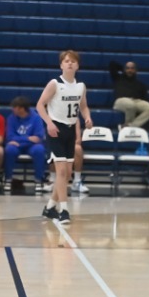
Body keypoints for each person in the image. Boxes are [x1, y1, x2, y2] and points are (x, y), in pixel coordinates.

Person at [37, 50, 93, 224]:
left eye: (73, 61)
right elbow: (40, 105)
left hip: (70, 130)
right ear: (61, 65)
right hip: (56, 129)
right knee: (61, 171)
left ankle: (49, 207)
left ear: (77, 65)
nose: (69, 63)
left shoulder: (80, 86)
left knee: (67, 174)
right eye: (66, 61)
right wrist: (49, 123)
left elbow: (83, 106)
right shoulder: (55, 83)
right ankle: (64, 211)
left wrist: (87, 117)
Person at [4, 96, 46, 194]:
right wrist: (28, 138)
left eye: (15, 107)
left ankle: (38, 180)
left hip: (31, 146)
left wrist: (19, 139)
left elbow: (38, 137)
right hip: (17, 145)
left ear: (22, 109)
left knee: (39, 150)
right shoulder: (11, 118)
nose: (12, 109)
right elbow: (10, 137)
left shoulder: (36, 118)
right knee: (9, 150)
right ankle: (8, 179)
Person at [42, 120, 89, 194]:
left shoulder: (74, 118)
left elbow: (78, 140)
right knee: (54, 149)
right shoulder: (54, 117)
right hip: (57, 142)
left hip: (70, 143)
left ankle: (77, 181)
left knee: (78, 149)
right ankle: (52, 180)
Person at [109, 60, 149, 128]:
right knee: (131, 105)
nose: (130, 70)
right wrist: (123, 69)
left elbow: (146, 98)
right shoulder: (118, 78)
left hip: (136, 101)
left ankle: (129, 126)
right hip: (121, 100)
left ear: (135, 70)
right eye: (128, 68)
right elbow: (112, 64)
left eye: (132, 68)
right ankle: (129, 127)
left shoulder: (140, 84)